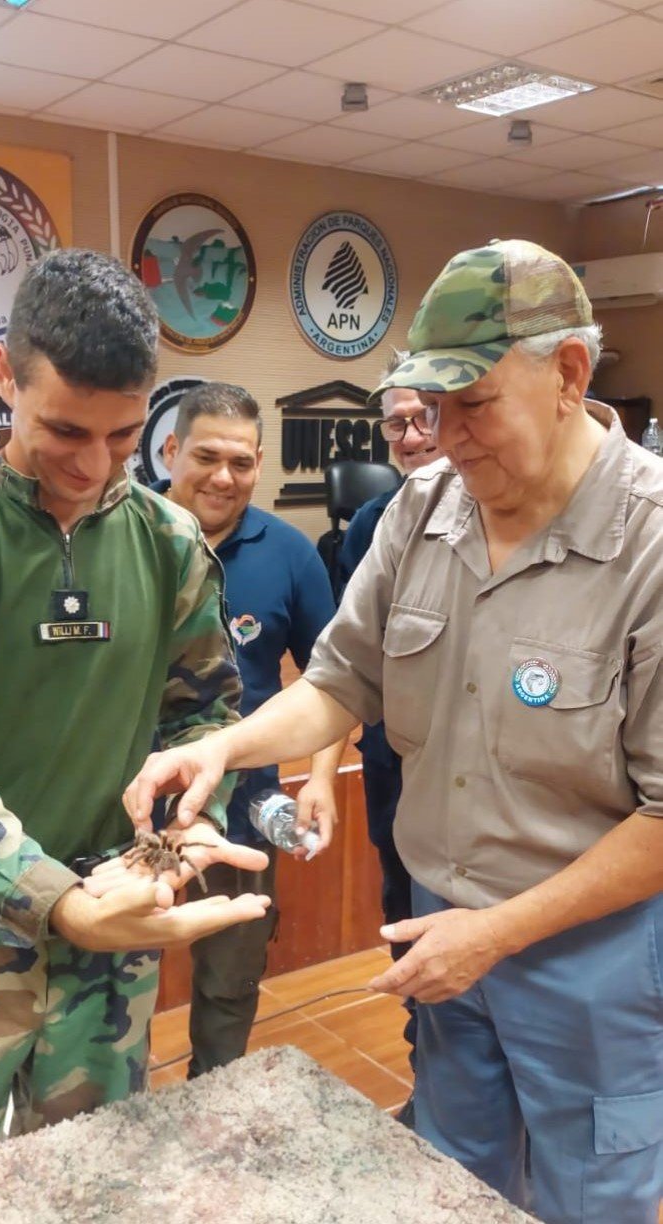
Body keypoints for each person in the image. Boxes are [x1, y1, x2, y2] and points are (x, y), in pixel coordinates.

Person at [124, 238, 663, 1224]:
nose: (445, 437)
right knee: (453, 1183)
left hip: (589, 960)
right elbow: (339, 680)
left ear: (569, 375)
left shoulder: (650, 542)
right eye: (432, 405)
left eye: (474, 403)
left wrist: (492, 937)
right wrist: (223, 746)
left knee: (593, 1197)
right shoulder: (422, 513)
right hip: (438, 929)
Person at [0, 248, 271, 1187]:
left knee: (97, 1186)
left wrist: (165, 849)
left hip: (109, 936)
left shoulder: (169, 543)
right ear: (5, 375)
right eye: (63, 430)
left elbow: (204, 724)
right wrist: (56, 899)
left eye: (120, 438)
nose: (89, 466)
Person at [156, 381, 343, 1078]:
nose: (223, 478)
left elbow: (336, 678)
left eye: (241, 463)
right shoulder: (121, 533)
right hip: (121, 814)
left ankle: (216, 1104)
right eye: (206, 457)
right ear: (171, 450)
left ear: (260, 463)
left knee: (230, 980)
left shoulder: (291, 554)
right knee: (107, 988)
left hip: (239, 816)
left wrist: (322, 775)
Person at [338, 351, 439, 1121]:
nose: (408, 437)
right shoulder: (376, 524)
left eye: (422, 419)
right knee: (403, 918)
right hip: (389, 764)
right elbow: (345, 664)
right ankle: (430, 1084)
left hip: (469, 776)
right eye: (394, 423)